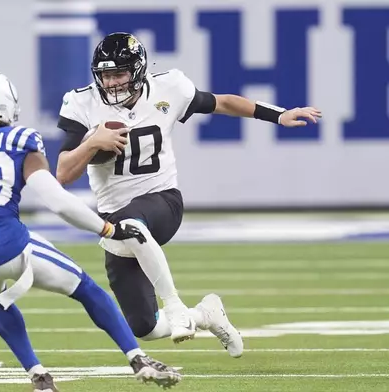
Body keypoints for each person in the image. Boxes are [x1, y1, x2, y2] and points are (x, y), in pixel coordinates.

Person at [0, 69, 182, 391]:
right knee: (86, 288)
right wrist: (107, 229)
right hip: (9, 244)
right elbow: (59, 202)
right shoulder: (19, 140)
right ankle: (137, 358)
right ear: (8, 106)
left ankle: (38, 374)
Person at [55, 32, 322, 357]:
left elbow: (221, 102)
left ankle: (176, 305)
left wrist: (277, 114)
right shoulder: (82, 103)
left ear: (138, 70)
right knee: (145, 327)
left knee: (132, 225)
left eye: (119, 73)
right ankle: (206, 315)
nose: (111, 83)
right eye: (105, 75)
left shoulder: (170, 88)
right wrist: (92, 143)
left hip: (162, 200)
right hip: (114, 217)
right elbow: (64, 173)